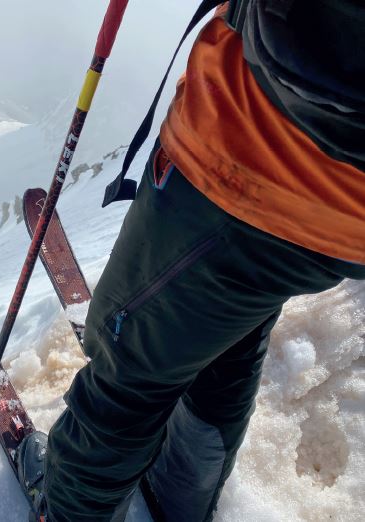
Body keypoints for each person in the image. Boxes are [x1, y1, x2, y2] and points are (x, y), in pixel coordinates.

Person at [18, 0, 365, 520]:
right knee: (234, 326)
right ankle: (184, 498)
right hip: (345, 218)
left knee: (126, 369)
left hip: (248, 166)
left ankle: (70, 512)